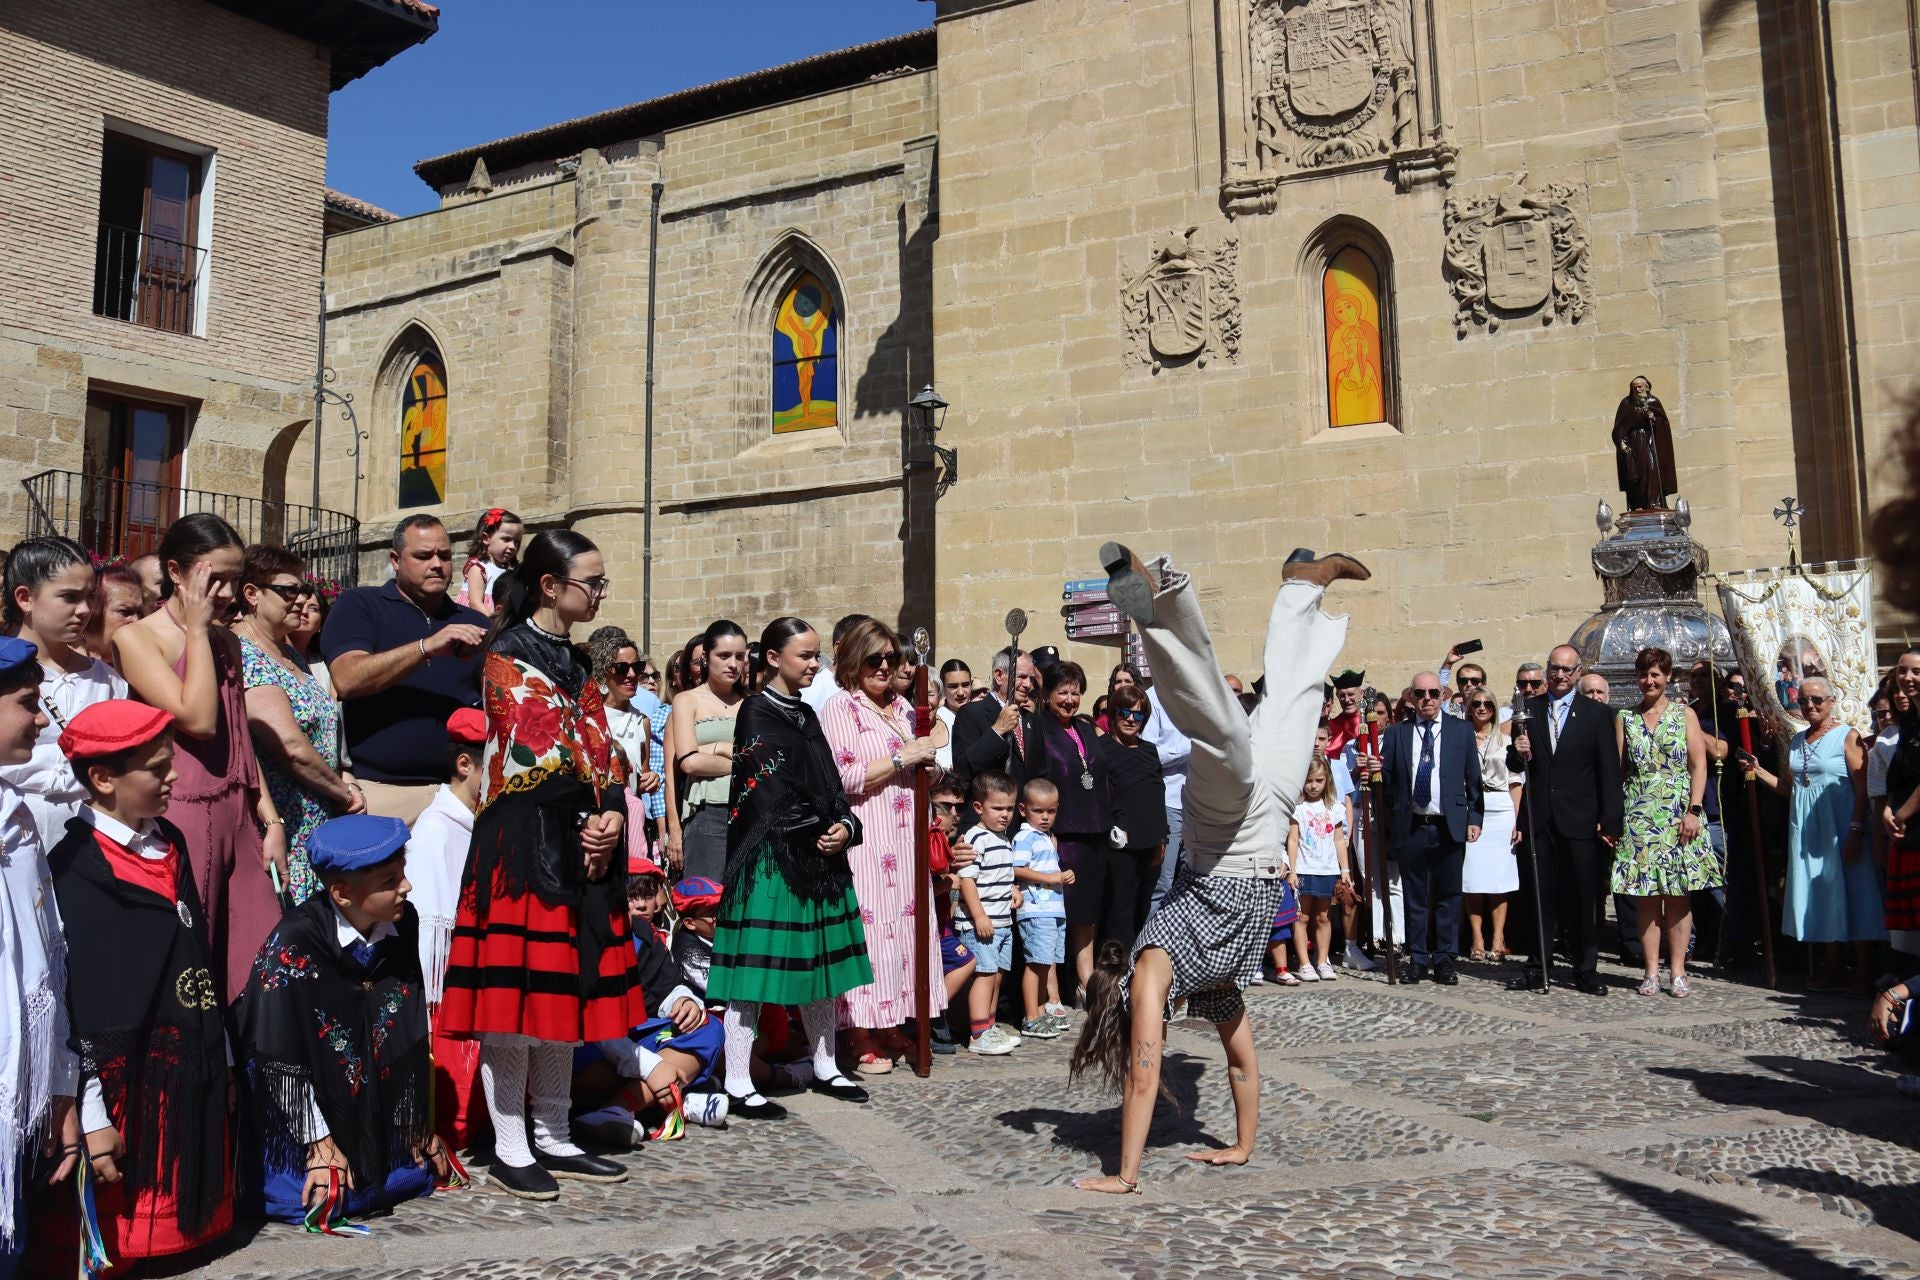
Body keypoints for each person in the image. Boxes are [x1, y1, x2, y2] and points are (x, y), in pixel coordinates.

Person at [1070, 544, 1359, 1196]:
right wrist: (1242, 1144)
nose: (1151, 1023)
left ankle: (1160, 609)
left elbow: (1143, 1078)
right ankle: (1300, 587)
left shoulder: (1152, 970)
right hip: (1266, 834)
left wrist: (1126, 1175)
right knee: (1293, 702)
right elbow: (1243, 1067)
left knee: (1223, 735)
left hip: (1222, 837)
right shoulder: (1218, 987)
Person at [437, 530, 639, 1200]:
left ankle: (555, 1134)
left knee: (566, 990)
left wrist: (611, 813)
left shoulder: (580, 661)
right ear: (550, 585)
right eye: (593, 581)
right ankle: (511, 1144)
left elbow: (604, 749)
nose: (600, 593)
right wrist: (591, 813)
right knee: (517, 1000)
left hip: (583, 843)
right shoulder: (506, 651)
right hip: (523, 842)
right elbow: (535, 749)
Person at [47, 700, 231, 1266]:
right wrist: (96, 1115)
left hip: (184, 1048)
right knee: (128, 1230)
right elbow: (82, 1002)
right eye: (156, 768)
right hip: (122, 1076)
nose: (173, 776)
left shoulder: (168, 841)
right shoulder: (78, 869)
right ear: (102, 779)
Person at [239, 814, 446, 1226]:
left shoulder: (404, 924)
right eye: (389, 881)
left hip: (368, 1092)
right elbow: (278, 1054)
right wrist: (319, 1144)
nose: (406, 887)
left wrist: (411, 1122)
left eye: (402, 873)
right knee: (318, 1195)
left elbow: (402, 1025)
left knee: (407, 1173)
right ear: (341, 892)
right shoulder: (294, 941)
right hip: (296, 1098)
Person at [113, 513, 284, 1005]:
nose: (229, 592)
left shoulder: (226, 639)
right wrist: (194, 630)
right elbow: (198, 718)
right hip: (181, 817)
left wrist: (269, 818)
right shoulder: (137, 638)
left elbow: (237, 735)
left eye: (236, 579)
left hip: (239, 815)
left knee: (262, 968)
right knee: (192, 971)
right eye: (217, 578)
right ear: (176, 571)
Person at [706, 617, 873, 1117]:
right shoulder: (756, 713)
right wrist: (819, 828)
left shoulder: (807, 715)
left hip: (819, 855)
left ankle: (825, 1065)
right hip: (771, 860)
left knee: (820, 965)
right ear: (774, 658)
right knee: (751, 976)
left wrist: (845, 824)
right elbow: (769, 793)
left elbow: (830, 781)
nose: (814, 664)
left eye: (817, 655)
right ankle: (737, 1079)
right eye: (805, 655)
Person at [818, 617, 942, 1072]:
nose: (885, 666)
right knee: (871, 933)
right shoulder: (841, 708)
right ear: (854, 661)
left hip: (907, 835)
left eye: (892, 657)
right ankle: (858, 1030)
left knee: (905, 932)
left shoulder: (906, 709)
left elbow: (926, 766)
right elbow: (845, 775)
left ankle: (891, 1020)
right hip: (869, 835)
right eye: (875, 658)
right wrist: (903, 756)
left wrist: (933, 757)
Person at [320, 515, 488, 826]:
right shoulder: (361, 605)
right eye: (423, 556)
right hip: (382, 795)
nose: (437, 564)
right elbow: (346, 678)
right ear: (396, 560)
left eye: (445, 556)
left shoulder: (476, 624)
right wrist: (426, 647)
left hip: (460, 794)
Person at [0, 636, 79, 1275]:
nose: (43, 720)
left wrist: (60, 1091)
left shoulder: (16, 815)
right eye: (29, 703)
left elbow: (47, 967)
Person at [235, 545, 361, 905]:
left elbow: (321, 733)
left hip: (316, 823)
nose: (300, 599)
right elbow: (290, 748)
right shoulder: (247, 653)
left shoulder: (287, 651)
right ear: (252, 594)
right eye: (289, 590)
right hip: (284, 828)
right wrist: (343, 792)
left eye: (302, 590)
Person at [570, 875, 728, 1148]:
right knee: (586, 1067)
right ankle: (679, 1099)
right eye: (630, 898)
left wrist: (684, 1002)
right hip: (591, 1046)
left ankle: (618, 1107)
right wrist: (652, 1067)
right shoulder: (577, 943)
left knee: (709, 1028)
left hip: (636, 1037)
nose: (638, 906)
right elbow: (591, 1021)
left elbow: (666, 986)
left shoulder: (641, 934)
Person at [1745, 674, 1880, 995]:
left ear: (1832, 701)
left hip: (1842, 829)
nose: (1809, 706)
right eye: (1803, 700)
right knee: (1823, 898)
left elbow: (1863, 788)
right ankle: (1832, 967)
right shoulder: (1796, 740)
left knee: (1856, 894)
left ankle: (1863, 972)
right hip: (1809, 834)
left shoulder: (1848, 736)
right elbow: (1794, 791)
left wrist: (1857, 829)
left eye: (1817, 699)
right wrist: (1758, 771)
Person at [1509, 645, 1625, 995]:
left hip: (1580, 819)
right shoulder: (1528, 709)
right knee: (1539, 897)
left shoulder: (1597, 714)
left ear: (1577, 673)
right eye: (1555, 669)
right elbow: (1515, 765)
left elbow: (1608, 771)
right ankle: (1538, 965)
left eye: (1567, 670)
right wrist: (1518, 752)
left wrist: (1611, 820)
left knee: (1582, 897)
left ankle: (1586, 968)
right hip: (1540, 816)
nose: (1560, 675)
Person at [0, 538, 128, 848]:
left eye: (89, 597)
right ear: (25, 598)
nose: (84, 610)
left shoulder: (108, 682)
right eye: (69, 597)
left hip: (88, 839)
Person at [1610, 647, 1718, 997]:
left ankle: (1678, 971)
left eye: (1655, 674)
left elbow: (1699, 764)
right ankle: (1651, 971)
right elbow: (1619, 770)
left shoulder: (1683, 714)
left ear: (1668, 676)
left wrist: (1695, 810)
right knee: (1645, 898)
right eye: (1643, 674)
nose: (1649, 681)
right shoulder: (1625, 717)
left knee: (1677, 896)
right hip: (1640, 815)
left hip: (1677, 814)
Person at [406, 707, 486, 1152]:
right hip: (445, 990)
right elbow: (429, 936)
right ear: (464, 764)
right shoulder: (437, 829)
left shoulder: (476, 822)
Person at [1379, 672, 1483, 984]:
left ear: (1442, 696)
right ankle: (1418, 957)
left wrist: (1474, 819)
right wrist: (1372, 769)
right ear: (1411, 697)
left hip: (1448, 823)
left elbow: (1473, 779)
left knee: (1449, 894)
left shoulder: (1461, 731)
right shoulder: (1398, 733)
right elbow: (1386, 777)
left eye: (1433, 693)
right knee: (1415, 895)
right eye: (1420, 693)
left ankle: (1445, 959)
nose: (1427, 698)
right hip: (1411, 824)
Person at [667, 620, 748, 883]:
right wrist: (731, 754)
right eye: (724, 656)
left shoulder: (752, 702)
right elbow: (688, 763)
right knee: (705, 903)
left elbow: (767, 757)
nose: (732, 664)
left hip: (750, 810)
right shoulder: (687, 700)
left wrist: (710, 753)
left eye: (739, 656)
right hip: (707, 812)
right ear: (706, 658)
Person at [1094, 683, 1167, 952]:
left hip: (1150, 841)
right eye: (1125, 712)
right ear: (1113, 714)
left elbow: (1156, 792)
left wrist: (1163, 837)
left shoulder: (1149, 750)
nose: (1130, 719)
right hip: (1118, 843)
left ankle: (1135, 962)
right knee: (1118, 908)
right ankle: (1114, 967)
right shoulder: (1100, 748)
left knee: (1142, 905)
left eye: (1138, 715)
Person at [957, 770, 1023, 1055]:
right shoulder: (976, 838)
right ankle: (978, 1033)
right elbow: (967, 880)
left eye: (1009, 808)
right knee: (984, 974)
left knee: (996, 975)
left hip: (1002, 922)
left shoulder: (1003, 838)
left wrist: (1014, 890)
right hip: (981, 923)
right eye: (998, 808)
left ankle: (990, 1025)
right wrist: (979, 916)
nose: (1005, 814)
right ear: (978, 808)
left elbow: (1003, 875)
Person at [590, 627, 666, 862]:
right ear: (604, 673)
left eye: (638, 668)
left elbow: (640, 778)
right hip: (598, 824)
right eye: (623, 668)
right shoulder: (590, 718)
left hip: (631, 823)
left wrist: (650, 779)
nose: (632, 675)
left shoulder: (642, 721)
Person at [1461, 686, 1520, 961]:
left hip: (1500, 808)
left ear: (1494, 709)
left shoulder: (1505, 741)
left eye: (1487, 704)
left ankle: (1498, 936)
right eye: (1476, 704)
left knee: (1499, 877)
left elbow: (1516, 782)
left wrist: (1517, 820)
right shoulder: (1460, 739)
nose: (1482, 708)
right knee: (1471, 876)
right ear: (1469, 708)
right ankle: (1477, 937)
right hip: (1472, 810)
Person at [1011, 777, 1071, 1038]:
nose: (1045, 817)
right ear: (1023, 810)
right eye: (1038, 811)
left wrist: (1063, 877)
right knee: (1036, 964)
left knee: (1046, 964)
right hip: (1036, 911)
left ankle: (1040, 1011)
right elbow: (1016, 868)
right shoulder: (1026, 837)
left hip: (1053, 911)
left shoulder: (1046, 838)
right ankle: (1031, 1017)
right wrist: (1050, 879)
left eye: (1051, 811)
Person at [1287, 755, 1351, 979]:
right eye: (1309, 780)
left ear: (1327, 782)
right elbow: (1293, 840)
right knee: (1302, 917)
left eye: (1318, 780)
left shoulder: (1334, 808)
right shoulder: (1298, 808)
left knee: (1324, 917)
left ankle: (1323, 961)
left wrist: (1345, 870)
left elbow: (1339, 840)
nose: (1313, 785)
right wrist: (1292, 870)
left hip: (1327, 869)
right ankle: (1304, 963)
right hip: (1305, 869)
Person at [949, 647, 1042, 793]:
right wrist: (997, 730)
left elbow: (1041, 771)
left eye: (1031, 678)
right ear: (999, 676)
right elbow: (963, 769)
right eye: (1022, 677)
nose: (1028, 685)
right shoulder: (971, 713)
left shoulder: (1032, 720)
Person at [1611, 375, 1679, 511]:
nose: (1637, 389)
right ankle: (1638, 504)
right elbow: (1618, 428)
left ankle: (1655, 503)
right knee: (1635, 474)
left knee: (1652, 468)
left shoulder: (1653, 401)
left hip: (1650, 442)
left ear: (1646, 387)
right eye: (1634, 387)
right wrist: (1621, 444)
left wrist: (1654, 418)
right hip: (1633, 442)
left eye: (1640, 386)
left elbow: (1664, 423)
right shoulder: (1626, 404)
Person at [459, 507, 522, 615]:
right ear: (486, 538)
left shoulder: (508, 571)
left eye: (516, 542)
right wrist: (494, 625)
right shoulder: (479, 568)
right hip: (479, 622)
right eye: (506, 539)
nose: (512, 546)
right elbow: (475, 604)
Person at [82, 564, 145, 666]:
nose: (137, 621)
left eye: (139, 613)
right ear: (91, 611)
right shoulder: (59, 668)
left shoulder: (144, 667)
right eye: (124, 612)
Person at [934, 659, 973, 772]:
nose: (960, 692)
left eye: (965, 685)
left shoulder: (980, 714)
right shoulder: (937, 719)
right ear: (943, 688)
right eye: (953, 686)